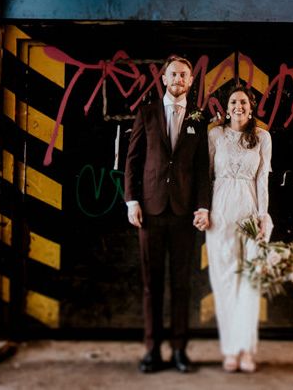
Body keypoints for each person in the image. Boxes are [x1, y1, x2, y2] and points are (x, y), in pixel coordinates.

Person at [124, 55, 211, 374]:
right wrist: (132, 201)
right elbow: (133, 161)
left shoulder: (200, 120)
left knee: (181, 285)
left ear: (191, 81)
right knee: (152, 284)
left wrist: (203, 205)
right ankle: (151, 350)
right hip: (150, 210)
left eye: (184, 75)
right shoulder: (146, 113)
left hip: (184, 213)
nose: (178, 78)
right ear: (163, 79)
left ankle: (178, 350)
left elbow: (203, 168)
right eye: (173, 73)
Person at [203, 83, 273, 373]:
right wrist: (203, 210)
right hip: (220, 211)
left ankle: (246, 350)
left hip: (248, 210)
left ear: (251, 105)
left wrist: (262, 215)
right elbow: (205, 176)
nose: (238, 107)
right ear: (225, 106)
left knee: (249, 282)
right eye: (233, 102)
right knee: (224, 281)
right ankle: (231, 349)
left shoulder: (262, 137)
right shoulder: (215, 135)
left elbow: (262, 180)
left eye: (243, 102)